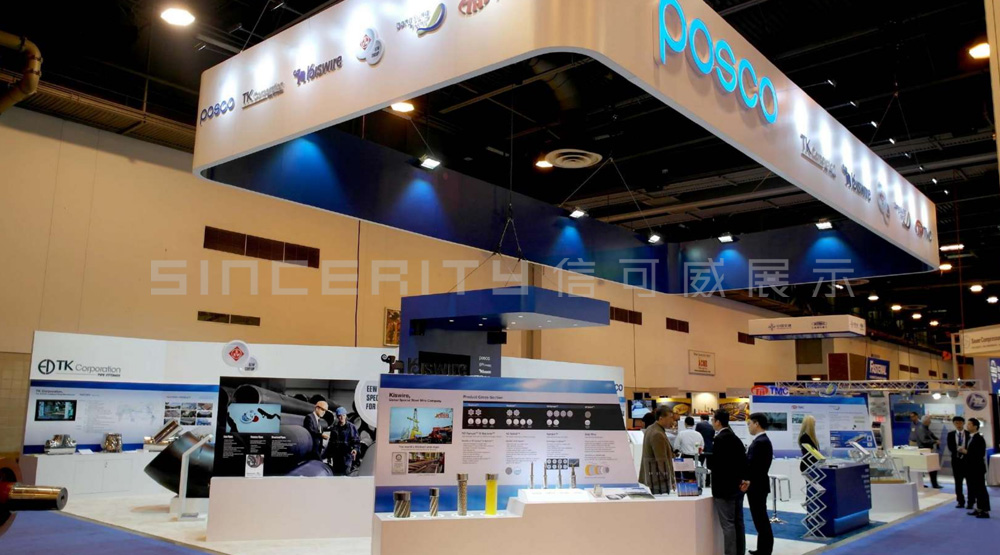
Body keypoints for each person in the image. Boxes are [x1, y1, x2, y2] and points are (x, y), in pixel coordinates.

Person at [708, 409, 749, 555]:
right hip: (737, 487)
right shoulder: (735, 438)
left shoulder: (720, 440)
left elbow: (716, 464)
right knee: (738, 522)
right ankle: (740, 551)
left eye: (713, 420)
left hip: (724, 489)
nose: (712, 422)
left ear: (718, 422)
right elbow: (743, 462)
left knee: (728, 525)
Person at [747, 413, 774, 555]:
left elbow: (754, 465)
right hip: (758, 484)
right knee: (759, 519)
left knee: (761, 519)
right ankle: (762, 549)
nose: (749, 427)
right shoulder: (761, 441)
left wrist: (747, 479)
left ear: (756, 424)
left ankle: (765, 550)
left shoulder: (761, 442)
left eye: (750, 424)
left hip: (757, 485)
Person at [639, 405, 677, 494]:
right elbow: (662, 461)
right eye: (670, 418)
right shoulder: (657, 434)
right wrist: (670, 480)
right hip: (658, 482)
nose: (672, 421)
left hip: (651, 479)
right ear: (661, 418)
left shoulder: (650, 429)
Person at [962, 418, 990, 519]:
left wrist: (966, 452)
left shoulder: (979, 438)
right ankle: (979, 508)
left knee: (981, 490)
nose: (967, 426)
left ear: (975, 426)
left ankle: (985, 510)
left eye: (969, 424)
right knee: (975, 490)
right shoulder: (971, 437)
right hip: (971, 468)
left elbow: (979, 454)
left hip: (977, 469)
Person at [325, 406, 361, 475]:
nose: (342, 417)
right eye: (339, 416)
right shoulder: (334, 428)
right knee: (337, 475)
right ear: (337, 417)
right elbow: (331, 443)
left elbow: (356, 441)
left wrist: (355, 449)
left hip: (347, 456)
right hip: (336, 457)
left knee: (346, 475)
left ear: (346, 416)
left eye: (343, 415)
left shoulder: (351, 427)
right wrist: (329, 456)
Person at [947, 416, 969, 509]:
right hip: (956, 461)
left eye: (960, 423)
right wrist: (958, 450)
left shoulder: (968, 434)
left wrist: (965, 451)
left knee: (970, 482)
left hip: (967, 461)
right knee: (958, 482)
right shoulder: (951, 434)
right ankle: (960, 501)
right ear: (954, 424)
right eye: (956, 423)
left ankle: (971, 501)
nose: (958, 425)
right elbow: (950, 447)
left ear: (963, 423)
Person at [675, 416, 705, 482]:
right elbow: (702, 446)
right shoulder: (698, 434)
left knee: (685, 476)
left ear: (685, 424)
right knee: (694, 475)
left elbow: (676, 446)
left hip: (685, 457)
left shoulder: (681, 433)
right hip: (696, 458)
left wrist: (680, 450)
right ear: (694, 424)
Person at [916, 415, 942, 488]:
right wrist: (934, 441)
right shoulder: (921, 429)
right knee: (927, 468)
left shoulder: (926, 428)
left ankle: (934, 483)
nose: (930, 422)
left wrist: (936, 440)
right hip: (924, 451)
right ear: (926, 421)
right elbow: (924, 440)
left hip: (929, 451)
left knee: (933, 467)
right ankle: (928, 483)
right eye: (929, 420)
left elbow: (932, 435)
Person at [696, 414, 715, 486]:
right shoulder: (712, 426)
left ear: (701, 418)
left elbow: (697, 435)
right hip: (710, 448)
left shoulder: (699, 425)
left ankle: (700, 482)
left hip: (702, 447)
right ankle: (708, 482)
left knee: (700, 464)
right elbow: (712, 437)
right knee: (710, 466)